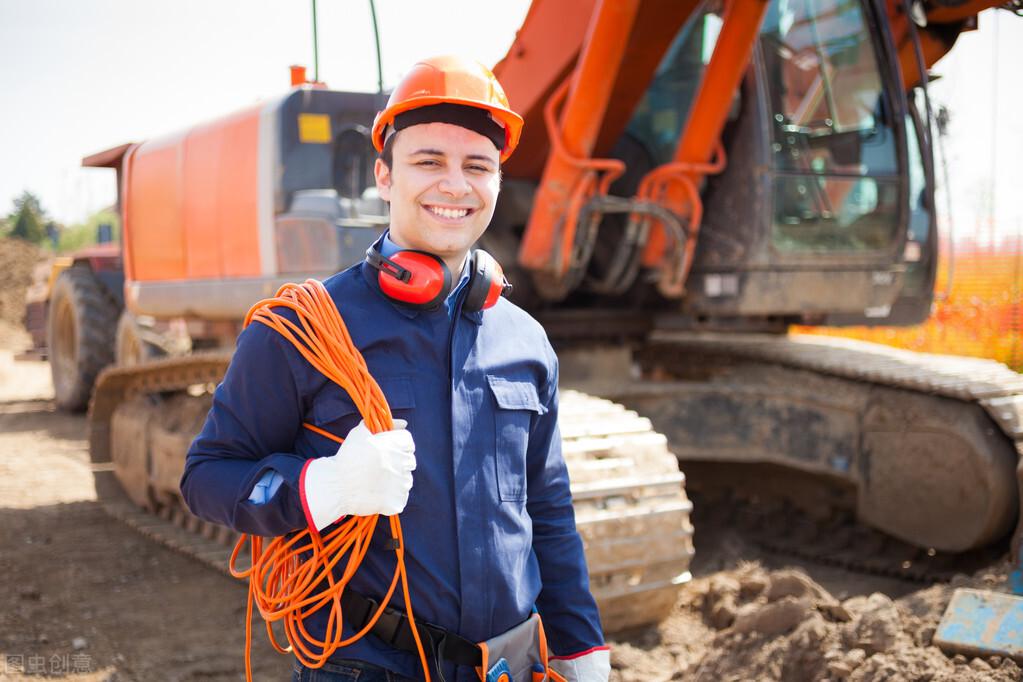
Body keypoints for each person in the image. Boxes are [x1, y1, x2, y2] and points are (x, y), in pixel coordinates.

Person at [180, 55, 610, 682]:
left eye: (478, 166)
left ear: (496, 181)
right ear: (383, 177)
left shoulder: (525, 339)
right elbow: (206, 477)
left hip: (509, 669)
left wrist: (580, 647)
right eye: (429, 161)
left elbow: (546, 509)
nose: (455, 185)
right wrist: (323, 487)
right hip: (365, 666)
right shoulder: (306, 327)